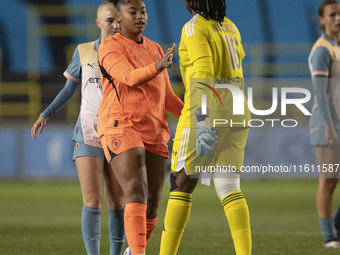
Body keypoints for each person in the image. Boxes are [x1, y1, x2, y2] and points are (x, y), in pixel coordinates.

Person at [31, 2, 125, 255]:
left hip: (118, 135)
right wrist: (46, 113)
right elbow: (70, 88)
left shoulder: (129, 51)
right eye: (109, 21)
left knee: (118, 202)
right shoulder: (84, 51)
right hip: (87, 133)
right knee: (92, 201)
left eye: (118, 20)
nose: (115, 25)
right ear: (98, 23)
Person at [159, 0, 252, 254]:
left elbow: (203, 72)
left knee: (181, 183)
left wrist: (202, 120)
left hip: (206, 114)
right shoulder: (230, 26)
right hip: (236, 114)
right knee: (229, 187)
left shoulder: (194, 28)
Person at [97, 0, 184, 254]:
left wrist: (195, 115)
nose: (139, 17)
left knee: (153, 202)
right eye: (132, 12)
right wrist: (158, 67)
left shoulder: (156, 48)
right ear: (119, 17)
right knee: (136, 189)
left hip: (154, 129)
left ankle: (133, 250)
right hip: (120, 126)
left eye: (143, 12)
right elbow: (129, 78)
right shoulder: (109, 47)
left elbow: (168, 97)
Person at [308, 0, 340, 248]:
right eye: (332, 14)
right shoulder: (322, 50)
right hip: (327, 123)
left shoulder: (337, 47)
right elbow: (320, 93)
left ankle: (336, 227)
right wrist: (329, 126)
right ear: (321, 20)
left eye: (339, 14)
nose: (338, 18)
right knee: (328, 180)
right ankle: (329, 236)